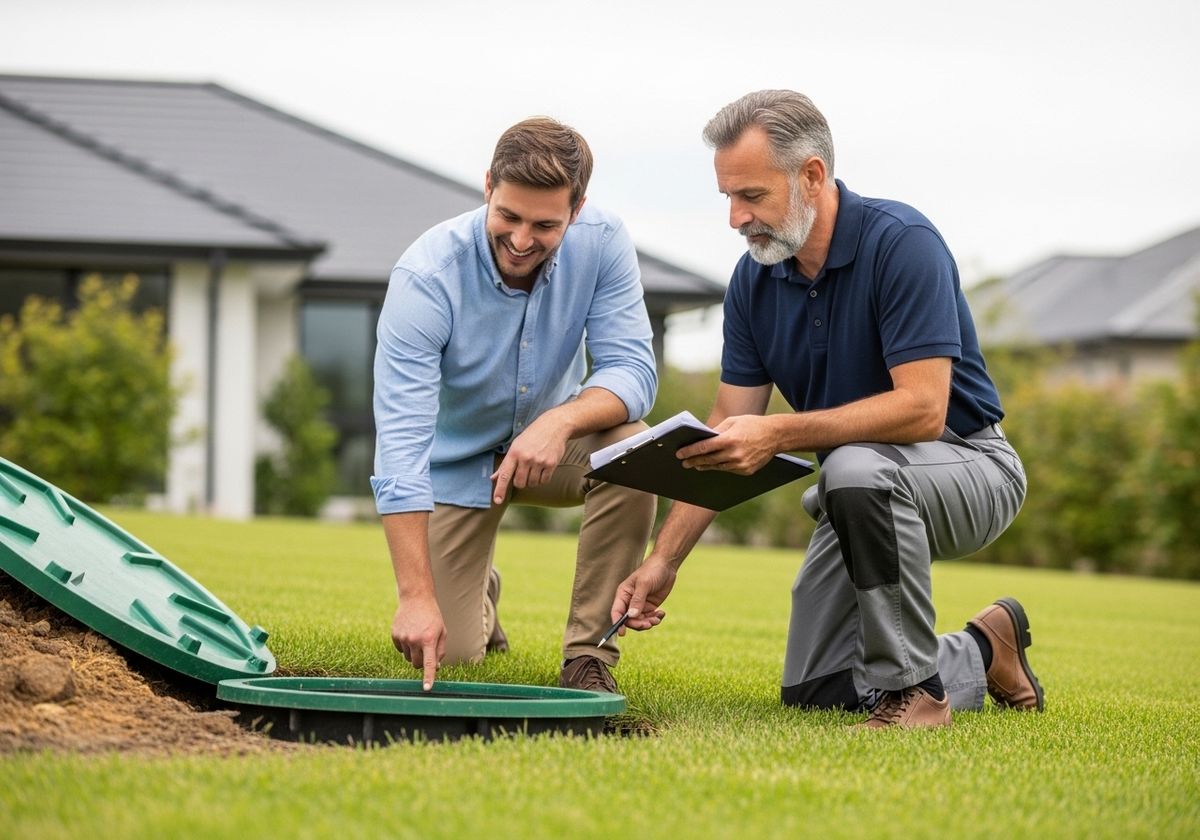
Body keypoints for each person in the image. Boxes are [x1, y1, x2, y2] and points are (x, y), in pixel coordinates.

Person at [610, 90, 1044, 728]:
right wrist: (662, 559)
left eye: (751, 196)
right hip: (860, 491)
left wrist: (777, 432)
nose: (735, 218)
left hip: (972, 466)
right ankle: (985, 649)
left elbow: (924, 410)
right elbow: (723, 434)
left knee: (852, 468)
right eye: (727, 197)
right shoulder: (753, 281)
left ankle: (919, 694)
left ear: (812, 175)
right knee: (820, 687)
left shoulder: (903, 244)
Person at [372, 117, 658, 693]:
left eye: (545, 225)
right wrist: (416, 596)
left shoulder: (603, 242)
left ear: (576, 210)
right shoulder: (426, 277)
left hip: (552, 452)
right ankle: (480, 589)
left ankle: (588, 657)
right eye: (509, 216)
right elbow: (401, 443)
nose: (523, 240)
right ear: (488, 186)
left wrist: (560, 421)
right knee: (449, 657)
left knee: (636, 450)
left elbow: (634, 371)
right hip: (456, 465)